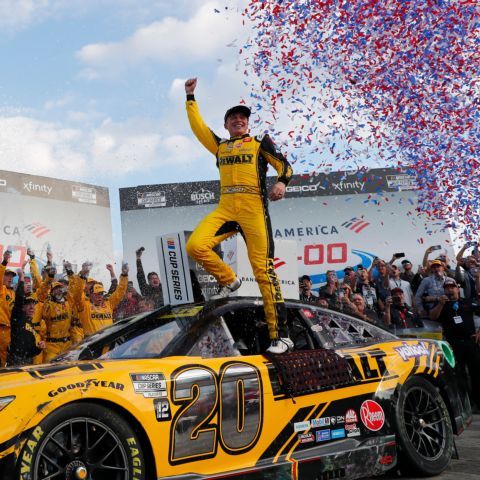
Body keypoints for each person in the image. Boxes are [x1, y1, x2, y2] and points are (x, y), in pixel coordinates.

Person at [184, 77, 293, 354]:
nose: (238, 120)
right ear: (226, 124)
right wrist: (190, 98)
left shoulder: (259, 143)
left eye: (242, 117)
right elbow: (198, 129)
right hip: (226, 209)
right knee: (195, 245)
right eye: (232, 117)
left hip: (254, 210)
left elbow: (285, 166)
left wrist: (281, 183)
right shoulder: (220, 146)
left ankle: (281, 336)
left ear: (247, 122)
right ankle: (229, 280)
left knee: (264, 271)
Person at [429, 278, 480, 411]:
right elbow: (432, 317)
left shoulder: (467, 302)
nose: (450, 290)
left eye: (452, 287)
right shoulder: (442, 304)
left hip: (471, 341)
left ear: (458, 289)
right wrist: (440, 304)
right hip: (453, 344)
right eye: (447, 288)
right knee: (459, 375)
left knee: (476, 372)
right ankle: (467, 405)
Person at [71, 261, 129, 337]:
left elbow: (120, 292)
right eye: (97, 294)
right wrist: (82, 276)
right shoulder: (84, 305)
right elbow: (77, 294)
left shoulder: (108, 303)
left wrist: (124, 275)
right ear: (91, 294)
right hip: (92, 344)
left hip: (108, 343)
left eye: (101, 294)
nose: (100, 296)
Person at [6, 269, 45, 366]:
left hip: (28, 363)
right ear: (23, 307)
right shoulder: (18, 318)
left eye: (33, 305)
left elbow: (31, 352)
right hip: (16, 363)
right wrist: (22, 278)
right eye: (28, 304)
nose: (32, 307)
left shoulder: (31, 326)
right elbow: (19, 300)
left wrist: (38, 349)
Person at [0, 250, 16, 367]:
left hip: (10, 331)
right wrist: (5, 261)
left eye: (11, 276)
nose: (10, 278)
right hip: (1, 329)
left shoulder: (13, 293)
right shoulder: (1, 289)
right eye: (7, 275)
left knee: (6, 362)